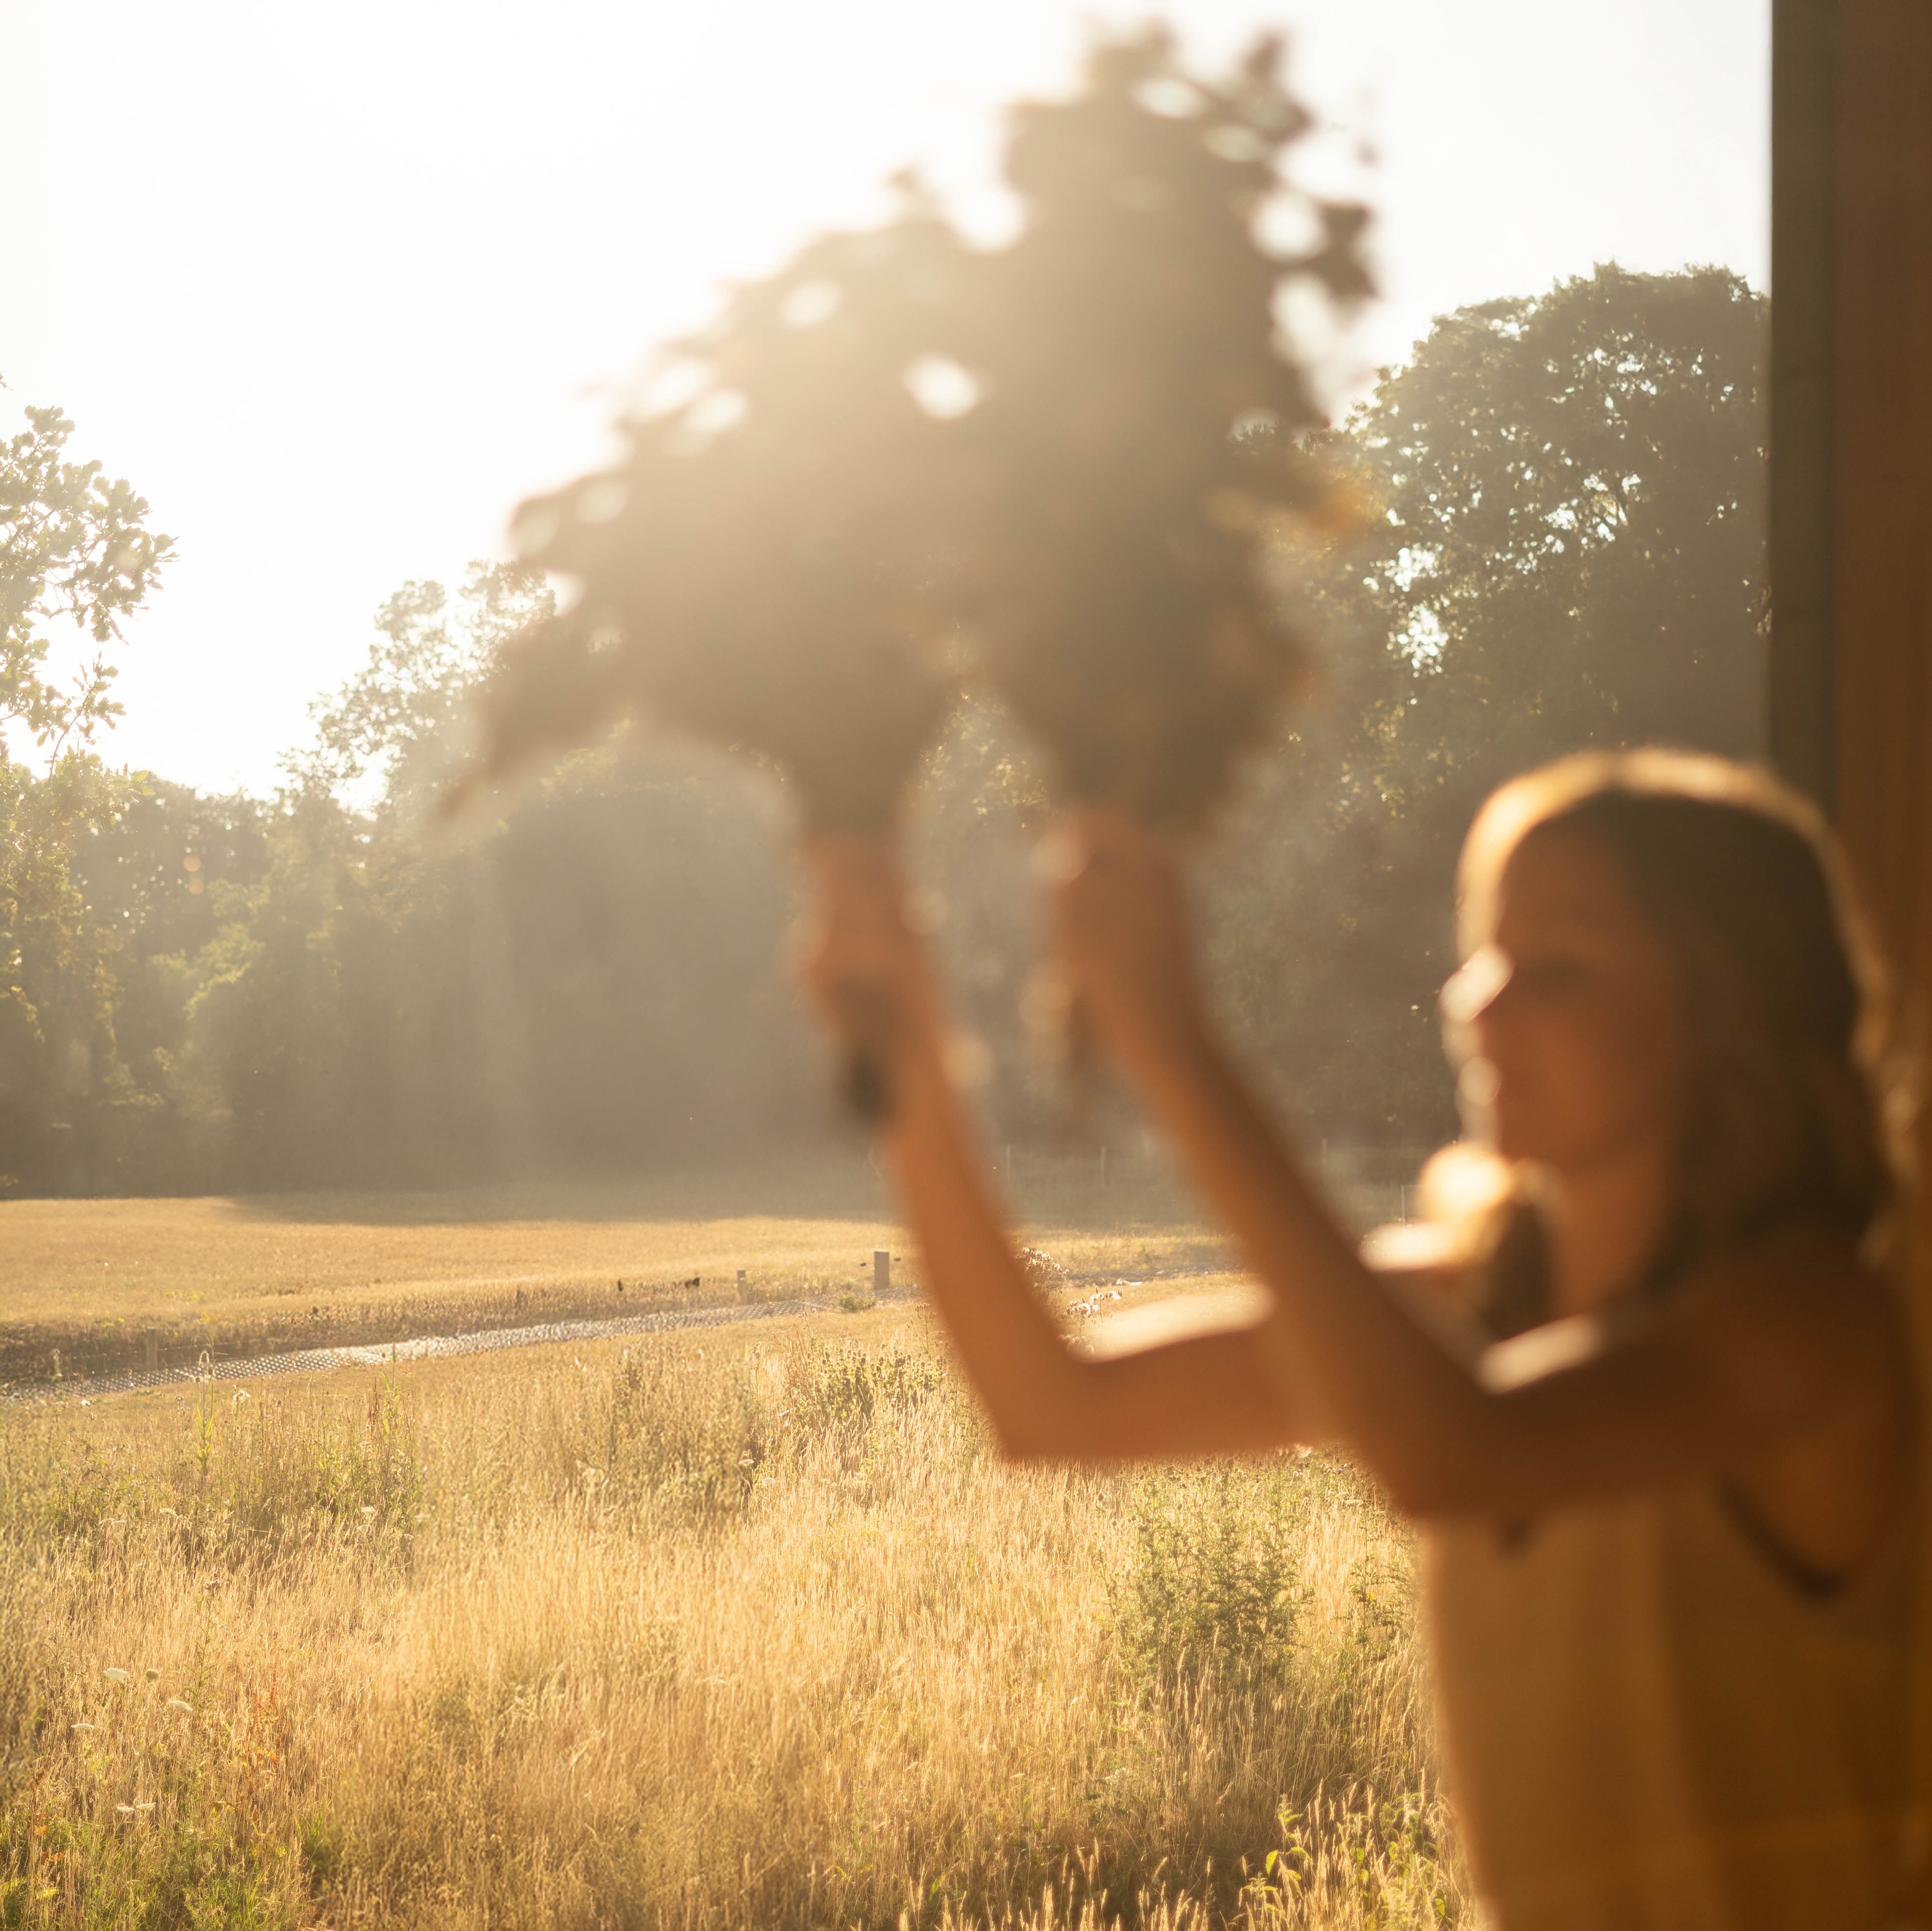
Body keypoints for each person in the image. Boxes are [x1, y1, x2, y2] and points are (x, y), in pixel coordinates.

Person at [800, 749, 1919, 1931]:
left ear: (1721, 1006)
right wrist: (904, 1053)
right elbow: (1050, 1405)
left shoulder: (1808, 1323)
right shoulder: (1465, 1300)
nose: (1478, 1002)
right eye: (1486, 953)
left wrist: (1177, 1048)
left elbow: (1459, 1458)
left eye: (1554, 970)